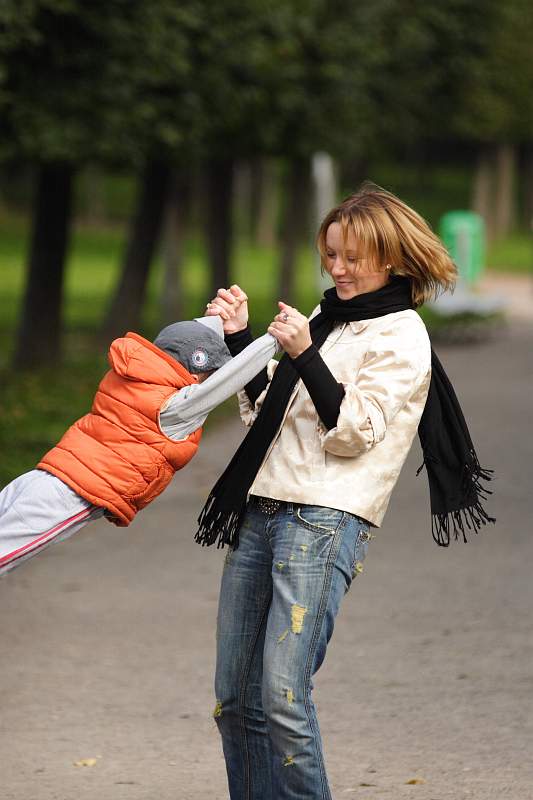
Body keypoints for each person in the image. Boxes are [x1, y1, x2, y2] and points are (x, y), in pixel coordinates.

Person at [201, 185, 494, 800]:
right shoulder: (323, 320)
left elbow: (353, 433)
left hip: (325, 519)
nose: (336, 269)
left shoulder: (401, 334)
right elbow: (267, 416)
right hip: (262, 506)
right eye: (330, 254)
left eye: (350, 257)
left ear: (390, 257)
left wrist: (305, 354)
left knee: (281, 697)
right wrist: (239, 340)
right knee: (235, 698)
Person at [0, 313, 279, 577]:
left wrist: (216, 319)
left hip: (43, 477)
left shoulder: (134, 377)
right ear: (196, 373)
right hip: (70, 496)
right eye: (208, 373)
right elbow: (228, 380)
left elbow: (189, 343)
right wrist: (276, 339)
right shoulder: (174, 408)